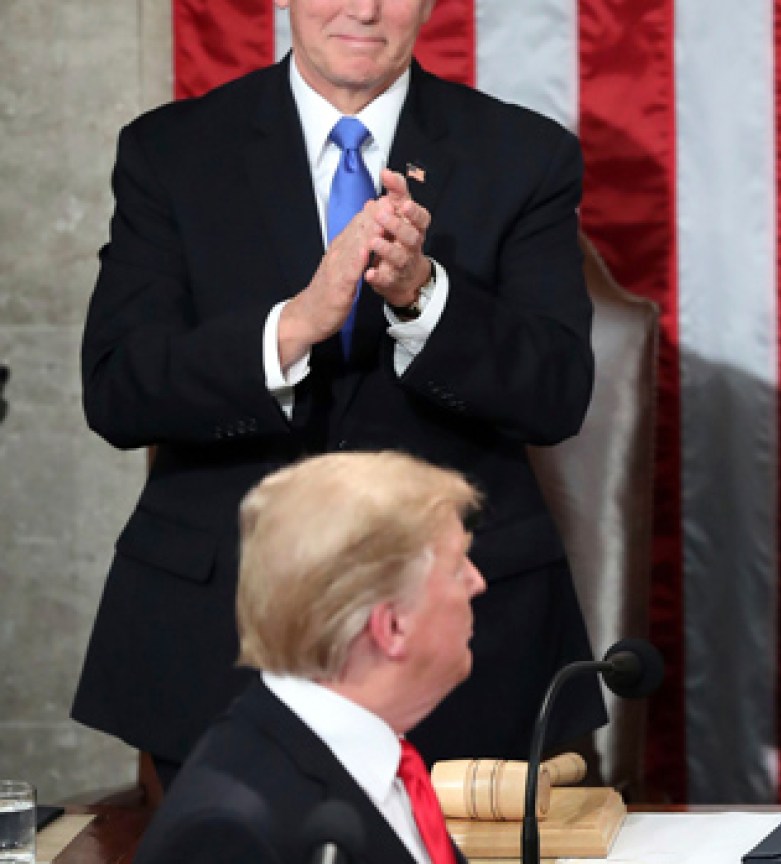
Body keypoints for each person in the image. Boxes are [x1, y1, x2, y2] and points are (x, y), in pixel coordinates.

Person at [73, 0, 603, 788]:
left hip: (466, 647)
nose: (363, 7)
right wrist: (293, 326)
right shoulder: (172, 151)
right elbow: (120, 388)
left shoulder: (524, 154)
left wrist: (423, 297)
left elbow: (557, 393)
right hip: (218, 640)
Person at [136, 451, 480, 864]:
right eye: (457, 567)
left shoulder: (383, 763)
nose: (477, 582)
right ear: (391, 626)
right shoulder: (230, 832)